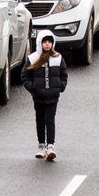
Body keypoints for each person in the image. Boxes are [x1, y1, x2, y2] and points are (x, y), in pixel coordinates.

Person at [22, 31, 67, 161]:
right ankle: (41, 146)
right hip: (38, 96)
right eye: (44, 42)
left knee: (50, 120)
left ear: (53, 43)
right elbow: (24, 75)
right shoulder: (33, 58)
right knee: (40, 120)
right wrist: (33, 88)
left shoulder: (58, 58)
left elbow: (63, 74)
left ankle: (51, 146)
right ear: (40, 43)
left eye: (49, 42)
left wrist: (60, 86)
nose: (47, 45)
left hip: (53, 96)